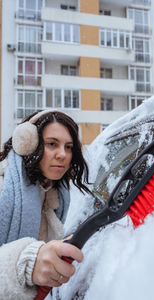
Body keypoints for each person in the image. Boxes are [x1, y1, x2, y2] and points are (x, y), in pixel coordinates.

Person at [0, 109, 91, 300]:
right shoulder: (3, 187)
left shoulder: (57, 194)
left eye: (68, 147)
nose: (62, 155)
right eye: (52, 144)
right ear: (28, 143)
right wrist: (25, 263)